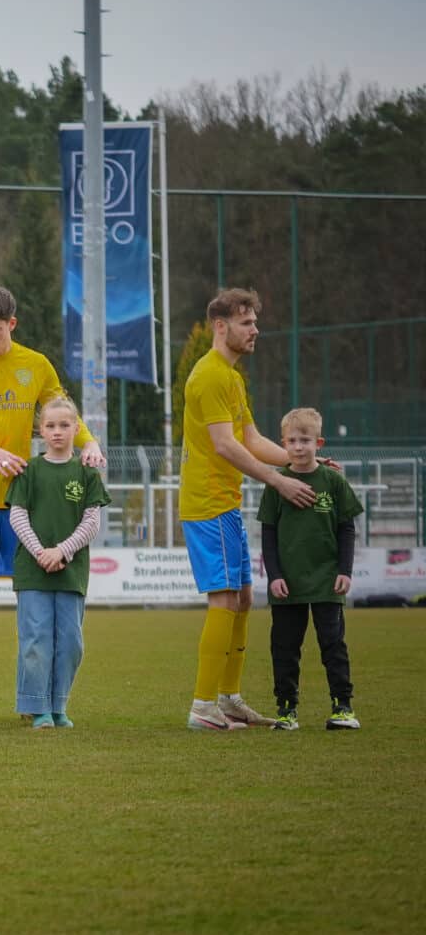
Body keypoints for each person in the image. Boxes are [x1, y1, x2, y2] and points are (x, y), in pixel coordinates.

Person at [0, 286, 105, 724]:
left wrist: (90, 443)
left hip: (25, 504)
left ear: (12, 323)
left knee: (36, 599)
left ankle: (41, 703)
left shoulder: (35, 365)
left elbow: (63, 413)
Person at [180, 288, 311, 732]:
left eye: (255, 321)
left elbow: (250, 438)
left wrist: (299, 463)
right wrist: (277, 479)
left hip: (226, 503)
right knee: (223, 599)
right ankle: (201, 706)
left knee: (242, 598)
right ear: (221, 326)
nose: (256, 329)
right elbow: (224, 445)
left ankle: (228, 698)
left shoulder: (232, 378)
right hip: (207, 502)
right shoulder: (210, 376)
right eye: (246, 322)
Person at [5, 397, 108, 728]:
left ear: (76, 429)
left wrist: (62, 551)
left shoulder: (87, 473)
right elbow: (18, 517)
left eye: (65, 425)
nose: (58, 432)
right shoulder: (29, 471)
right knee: (35, 640)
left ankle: (59, 704)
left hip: (71, 572)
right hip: (32, 572)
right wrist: (40, 553)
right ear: (40, 431)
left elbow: (92, 523)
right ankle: (38, 709)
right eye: (50, 426)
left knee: (70, 641)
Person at [258, 407, 362, 731]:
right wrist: (274, 576)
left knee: (333, 644)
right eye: (292, 440)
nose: (299, 446)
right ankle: (287, 710)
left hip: (326, 581)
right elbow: (268, 534)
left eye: (305, 440)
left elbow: (346, 528)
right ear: (283, 443)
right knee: (285, 649)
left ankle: (342, 707)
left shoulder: (332, 480)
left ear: (319, 442)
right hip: (287, 583)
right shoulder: (276, 483)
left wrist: (344, 570)